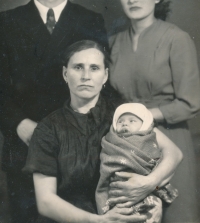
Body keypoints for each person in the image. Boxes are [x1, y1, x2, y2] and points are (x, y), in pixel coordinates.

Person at [0, 0, 108, 223]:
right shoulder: (6, 23)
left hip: (81, 153)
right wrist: (20, 125)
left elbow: (102, 85)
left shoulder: (90, 21)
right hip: (24, 149)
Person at [23, 40, 182, 223]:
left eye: (94, 68)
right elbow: (45, 202)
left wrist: (149, 184)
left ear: (105, 76)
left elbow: (174, 153)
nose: (86, 76)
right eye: (78, 67)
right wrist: (97, 221)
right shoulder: (48, 128)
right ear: (65, 74)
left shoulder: (121, 117)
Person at [109, 0, 200, 223]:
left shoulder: (176, 39)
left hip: (170, 140)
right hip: (128, 143)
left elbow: (190, 103)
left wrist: (142, 116)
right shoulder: (114, 42)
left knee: (176, 215)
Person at [96, 103, 180, 223]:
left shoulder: (148, 137)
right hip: (117, 188)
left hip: (147, 187)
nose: (125, 123)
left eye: (132, 121)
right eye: (120, 121)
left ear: (144, 125)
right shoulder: (111, 139)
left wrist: (150, 181)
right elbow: (107, 162)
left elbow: (168, 155)